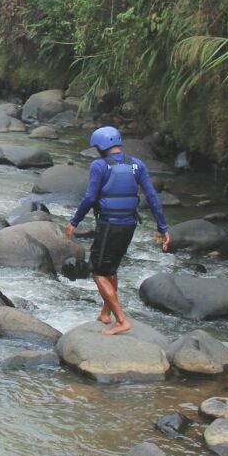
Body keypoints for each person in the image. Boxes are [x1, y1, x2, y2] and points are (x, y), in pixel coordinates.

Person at [66, 126, 170, 335]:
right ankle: (106, 313)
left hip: (109, 225)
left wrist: (74, 221)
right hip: (129, 224)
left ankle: (122, 320)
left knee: (97, 272)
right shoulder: (137, 164)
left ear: (101, 146)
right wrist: (162, 227)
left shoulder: (99, 166)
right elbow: (152, 197)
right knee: (111, 268)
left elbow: (90, 198)